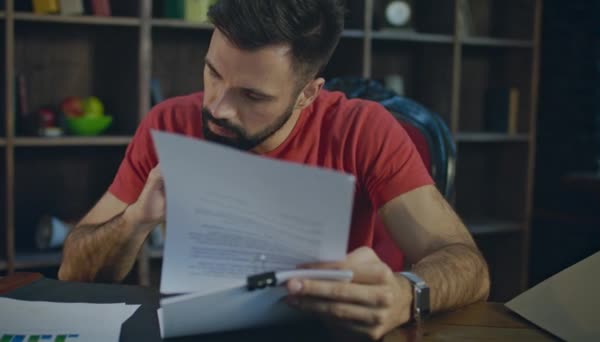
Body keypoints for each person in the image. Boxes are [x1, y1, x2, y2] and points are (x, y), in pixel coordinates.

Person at [58, 0, 489, 339]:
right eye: (212, 74)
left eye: (253, 96)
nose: (217, 107)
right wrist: (137, 219)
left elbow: (467, 265)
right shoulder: (170, 124)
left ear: (308, 94)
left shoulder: (364, 129)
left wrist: (404, 294)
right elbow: (73, 275)